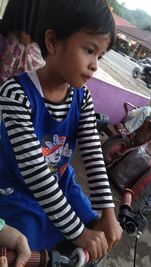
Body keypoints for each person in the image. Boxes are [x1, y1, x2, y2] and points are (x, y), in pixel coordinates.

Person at [0, 0, 122, 264]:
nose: (95, 65)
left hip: (60, 184)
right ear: (53, 42)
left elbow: (92, 156)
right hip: (17, 189)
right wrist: (78, 233)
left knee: (97, 226)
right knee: (25, 248)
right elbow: (34, 172)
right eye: (89, 50)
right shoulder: (15, 93)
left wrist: (108, 212)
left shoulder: (83, 97)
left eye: (99, 56)